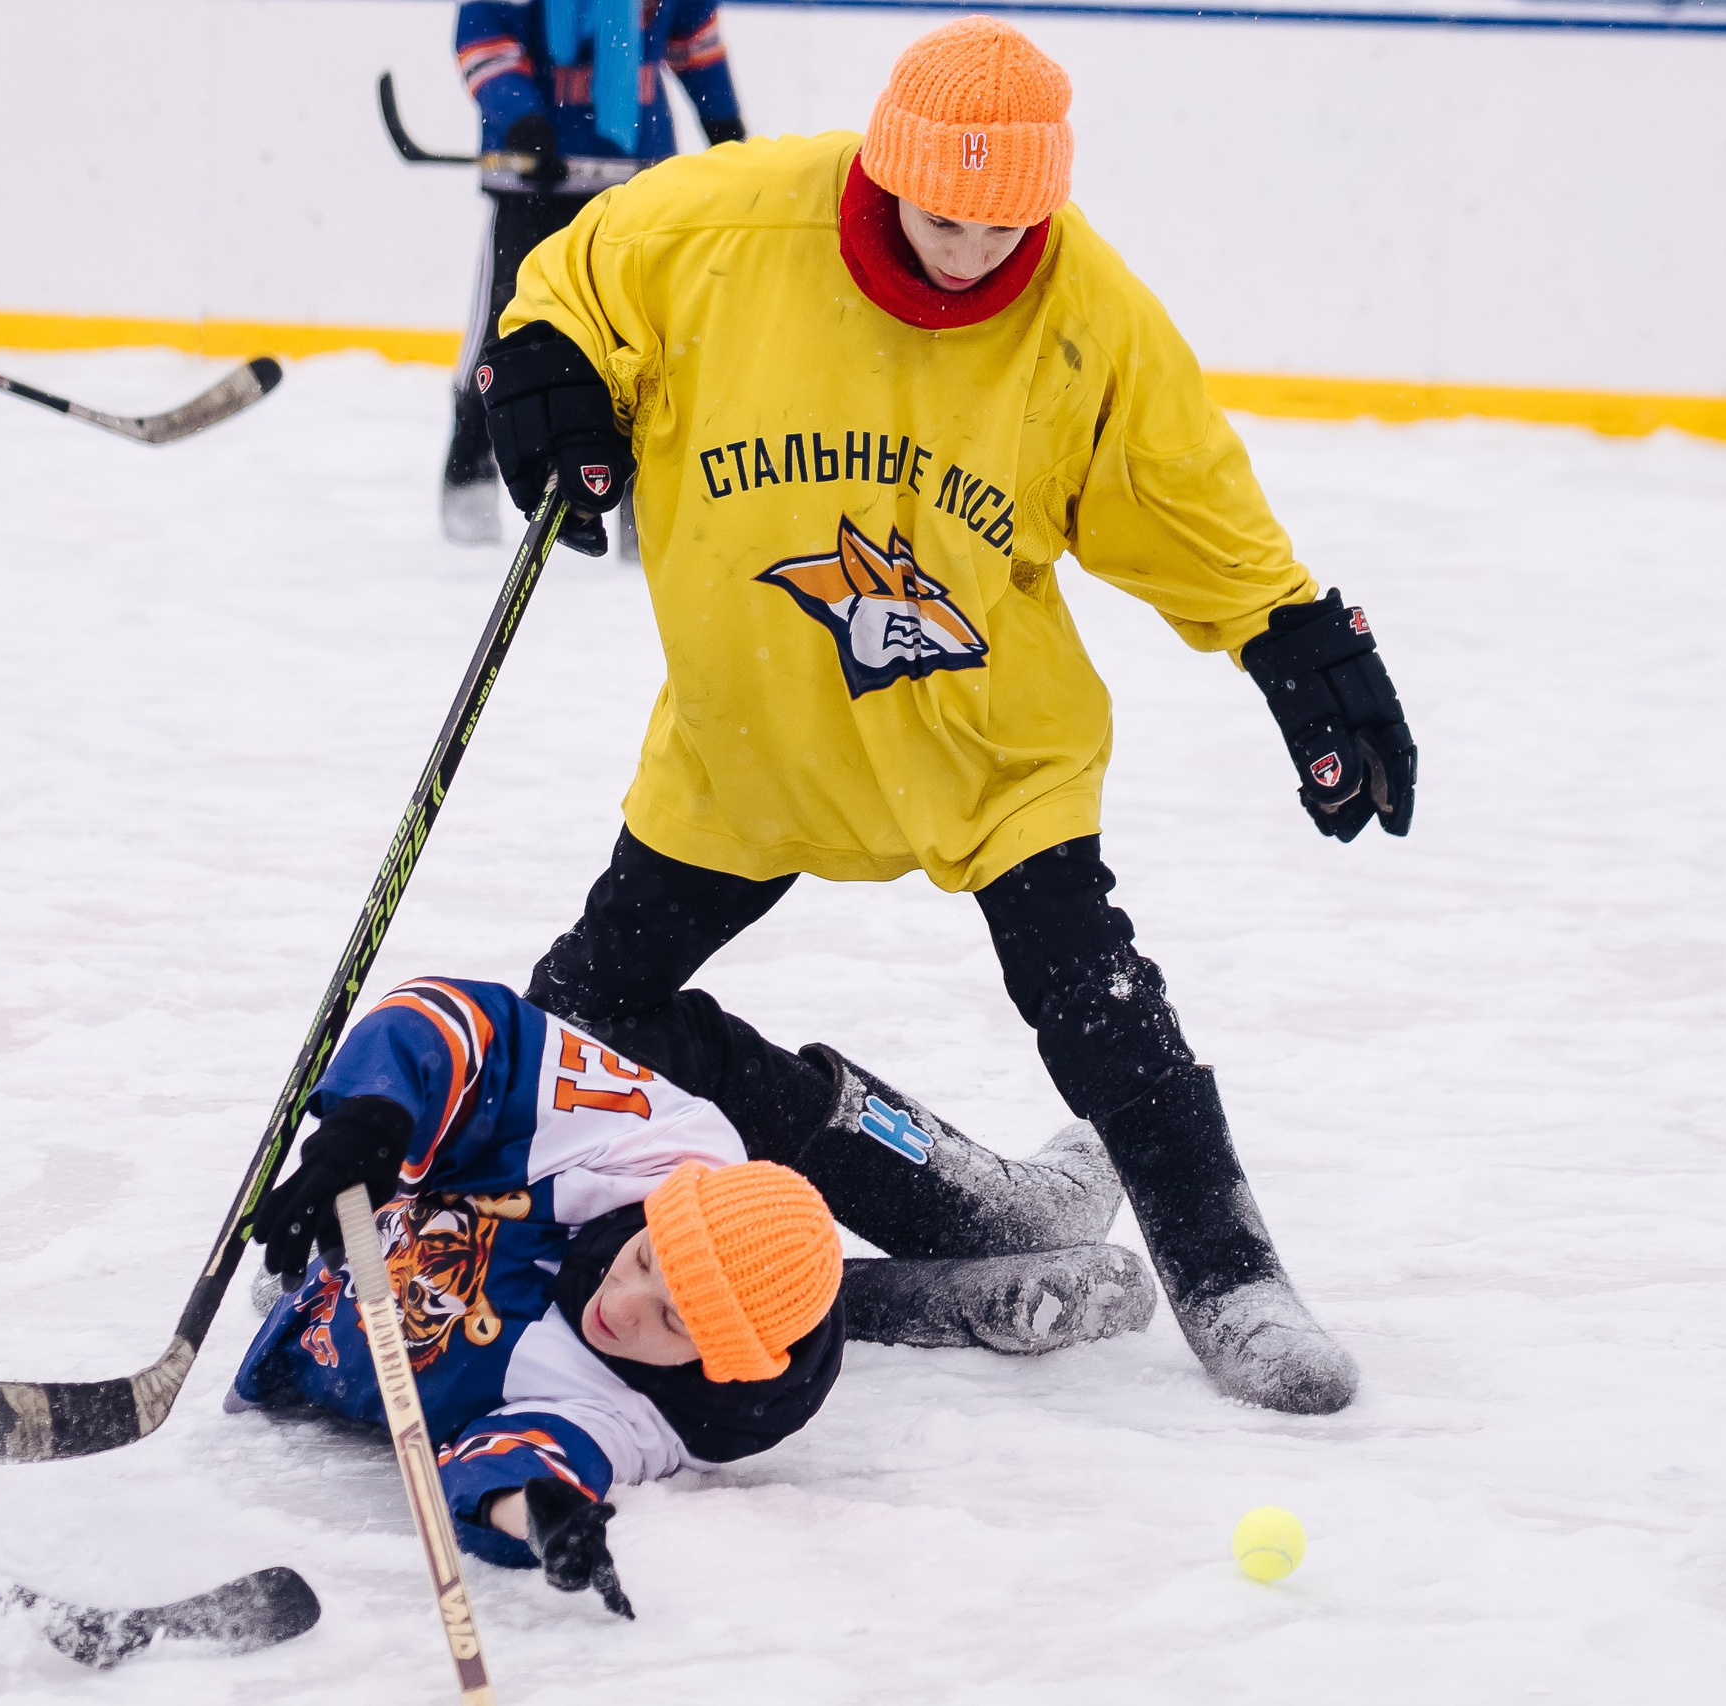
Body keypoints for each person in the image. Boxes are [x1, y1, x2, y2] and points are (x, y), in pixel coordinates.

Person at [472, 17, 1419, 1416]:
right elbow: (578, 276)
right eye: (943, 212)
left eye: (1005, 221)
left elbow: (1183, 494)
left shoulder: (1087, 312)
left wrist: (1295, 639)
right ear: (887, 167)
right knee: (581, 1030)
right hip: (752, 741)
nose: (973, 247)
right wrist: (544, 359)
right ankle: (962, 1199)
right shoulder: (729, 225)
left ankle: (1229, 1269)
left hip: (988, 747)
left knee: (1094, 1006)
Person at [229, 975, 1152, 1603]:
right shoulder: (654, 1154)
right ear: (649, 1219)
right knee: (610, 1000)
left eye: (674, 1319)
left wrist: (542, 1516)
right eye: (641, 1265)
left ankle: (951, 1261)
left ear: (709, 1361)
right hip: (691, 1068)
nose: (619, 1309)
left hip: (358, 1306)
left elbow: (525, 1455)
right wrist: (375, 1116)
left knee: (722, 1289)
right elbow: (472, 1026)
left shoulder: (644, 1409)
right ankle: (943, 1256)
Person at [438, 0, 746, 549]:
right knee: (503, 333)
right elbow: (485, 37)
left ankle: (642, 502)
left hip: (637, 182)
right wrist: (521, 117)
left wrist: (722, 120)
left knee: (643, 343)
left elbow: (694, 38)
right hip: (535, 186)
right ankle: (471, 467)